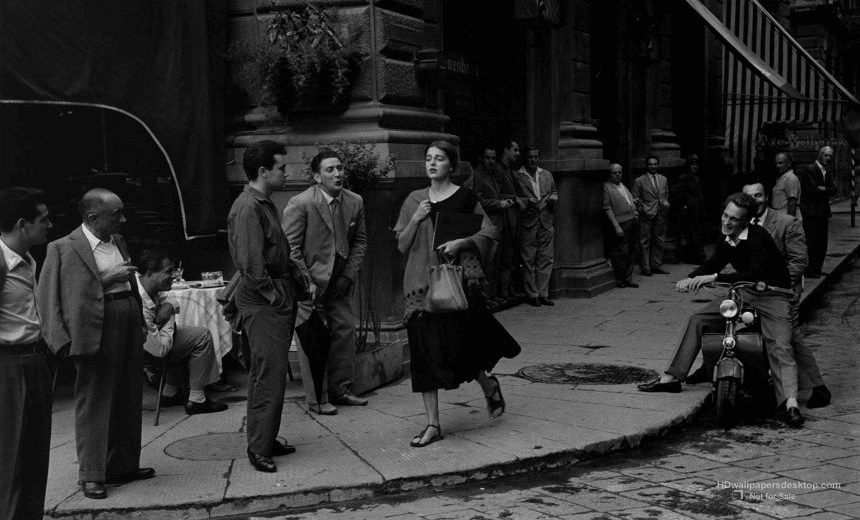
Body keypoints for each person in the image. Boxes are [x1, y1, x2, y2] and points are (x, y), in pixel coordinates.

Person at [637, 192, 805, 427]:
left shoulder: (759, 238)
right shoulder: (726, 238)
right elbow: (713, 263)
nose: (727, 222)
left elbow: (755, 273)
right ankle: (672, 377)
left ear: (746, 222)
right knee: (698, 319)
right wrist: (691, 278)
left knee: (781, 345)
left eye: (734, 219)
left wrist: (712, 277)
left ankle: (790, 403)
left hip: (773, 295)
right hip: (743, 293)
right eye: (725, 216)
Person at [394, 140, 520, 447]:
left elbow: (489, 231)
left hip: (458, 283)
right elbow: (401, 243)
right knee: (424, 354)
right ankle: (432, 424)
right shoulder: (414, 199)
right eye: (428, 158)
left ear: (452, 165)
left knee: (462, 346)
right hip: (422, 287)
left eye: (439, 159)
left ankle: (487, 384)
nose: (432, 163)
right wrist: (416, 218)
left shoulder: (465, 198)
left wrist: (462, 243)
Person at [38, 188, 154, 499]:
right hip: (93, 328)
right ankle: (91, 474)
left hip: (126, 320)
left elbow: (131, 284)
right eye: (116, 214)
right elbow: (49, 298)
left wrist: (141, 321)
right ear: (92, 217)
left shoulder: (117, 241)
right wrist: (59, 341)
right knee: (95, 400)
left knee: (128, 395)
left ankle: (124, 465)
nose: (123, 219)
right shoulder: (62, 248)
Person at [227, 140, 299, 473]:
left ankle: (265, 438)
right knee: (267, 374)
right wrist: (275, 295)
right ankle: (259, 447)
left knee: (270, 373)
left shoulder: (261, 203)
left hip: (273, 295)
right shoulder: (247, 207)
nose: (286, 173)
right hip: (263, 299)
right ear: (262, 171)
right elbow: (251, 263)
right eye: (282, 168)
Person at [282, 150, 369, 415]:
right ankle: (317, 399)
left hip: (339, 282)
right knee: (313, 342)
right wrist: (306, 282)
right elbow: (290, 249)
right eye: (330, 170)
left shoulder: (355, 202)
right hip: (309, 284)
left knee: (344, 331)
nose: (337, 173)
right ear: (317, 177)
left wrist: (347, 276)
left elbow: (360, 242)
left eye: (340, 168)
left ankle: (341, 390)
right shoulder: (301, 203)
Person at [742, 181, 830, 408]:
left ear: (767, 197)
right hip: (756, 291)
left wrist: (772, 284)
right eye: (749, 197)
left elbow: (799, 261)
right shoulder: (743, 224)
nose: (755, 201)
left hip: (783, 290)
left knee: (788, 336)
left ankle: (818, 388)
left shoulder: (786, 222)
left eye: (759, 196)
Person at [0, 187, 53, 519]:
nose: (50, 225)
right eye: (43, 220)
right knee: (13, 463)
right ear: (23, 224)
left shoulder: (28, 260)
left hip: (33, 361)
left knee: (34, 459)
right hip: (9, 367)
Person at [135, 249, 228, 415]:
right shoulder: (140, 303)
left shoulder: (146, 285)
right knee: (202, 336)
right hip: (144, 356)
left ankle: (170, 391)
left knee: (181, 334)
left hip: (150, 344)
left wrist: (168, 306)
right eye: (168, 271)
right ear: (150, 273)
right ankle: (197, 400)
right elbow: (160, 350)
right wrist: (169, 316)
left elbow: (171, 299)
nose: (174, 275)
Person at [471, 145, 520, 306]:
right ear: (481, 159)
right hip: (487, 223)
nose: (490, 161)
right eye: (487, 158)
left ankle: (493, 295)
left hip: (499, 223)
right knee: (488, 262)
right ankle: (485, 298)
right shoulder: (477, 175)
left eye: (493, 158)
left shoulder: (493, 175)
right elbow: (479, 201)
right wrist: (499, 204)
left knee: (497, 261)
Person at [512, 145, 557, 306]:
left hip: (546, 220)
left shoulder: (546, 174)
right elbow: (514, 197)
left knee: (546, 258)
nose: (533, 160)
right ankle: (532, 294)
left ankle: (543, 292)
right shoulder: (517, 176)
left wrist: (553, 198)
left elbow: (554, 191)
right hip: (528, 221)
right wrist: (526, 201)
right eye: (530, 157)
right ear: (525, 158)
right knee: (528, 258)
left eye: (536, 157)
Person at [798, 146, 837, 278]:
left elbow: (833, 190)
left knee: (822, 243)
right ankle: (811, 270)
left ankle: (817, 268)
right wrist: (826, 189)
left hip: (822, 212)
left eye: (830, 156)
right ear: (819, 155)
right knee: (812, 242)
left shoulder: (827, 171)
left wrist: (823, 189)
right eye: (826, 155)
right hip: (812, 212)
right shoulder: (811, 169)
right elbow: (813, 190)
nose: (828, 158)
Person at [602, 163, 639, 288]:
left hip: (632, 221)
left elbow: (628, 201)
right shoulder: (607, 187)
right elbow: (607, 208)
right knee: (621, 252)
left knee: (632, 250)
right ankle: (620, 278)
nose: (618, 175)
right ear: (610, 174)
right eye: (614, 172)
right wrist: (616, 226)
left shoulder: (623, 186)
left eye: (619, 172)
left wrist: (634, 209)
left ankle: (628, 278)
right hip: (621, 223)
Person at [632, 155, 670, 276]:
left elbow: (666, 194)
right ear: (647, 165)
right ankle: (646, 267)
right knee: (645, 241)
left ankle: (656, 265)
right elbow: (635, 198)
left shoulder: (663, 179)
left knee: (659, 239)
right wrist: (642, 209)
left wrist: (664, 204)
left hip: (660, 212)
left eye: (655, 164)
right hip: (646, 213)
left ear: (657, 165)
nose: (653, 166)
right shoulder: (639, 180)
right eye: (650, 164)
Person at [671, 154, 707, 264]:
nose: (695, 167)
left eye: (696, 164)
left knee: (696, 234)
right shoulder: (685, 177)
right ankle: (699, 257)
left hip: (697, 210)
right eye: (692, 165)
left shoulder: (696, 177)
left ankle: (693, 257)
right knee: (693, 234)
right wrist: (684, 202)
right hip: (689, 211)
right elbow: (674, 190)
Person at [772, 152, 801, 217]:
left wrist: (789, 222)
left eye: (780, 163)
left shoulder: (791, 178)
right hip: (779, 215)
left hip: (785, 216)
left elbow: (792, 202)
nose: (777, 166)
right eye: (776, 163)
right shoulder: (781, 178)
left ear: (789, 164)